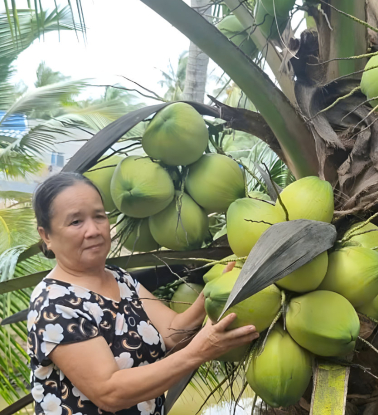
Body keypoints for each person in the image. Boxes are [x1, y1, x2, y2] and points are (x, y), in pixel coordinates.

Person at [27, 172, 258, 415]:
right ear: (47, 236)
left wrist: (213, 292)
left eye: (99, 216)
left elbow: (173, 331)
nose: (93, 230)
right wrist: (199, 351)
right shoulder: (53, 304)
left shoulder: (119, 278)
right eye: (76, 222)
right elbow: (109, 392)